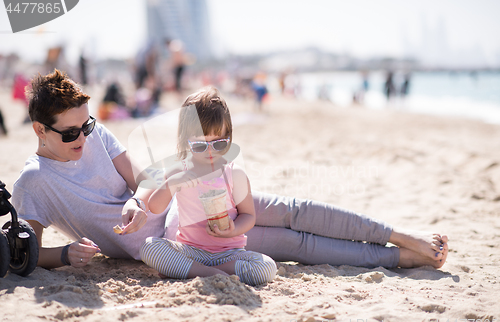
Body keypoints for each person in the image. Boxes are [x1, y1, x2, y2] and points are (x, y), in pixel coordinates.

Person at [12, 69, 448, 273]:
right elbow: (27, 255)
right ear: (39, 130)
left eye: (87, 126)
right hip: (181, 243)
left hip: (186, 196)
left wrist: (135, 200)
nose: (84, 139)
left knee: (291, 208)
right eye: (71, 134)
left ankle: (400, 236)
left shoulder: (96, 134)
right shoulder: (35, 183)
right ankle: (397, 258)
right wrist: (67, 255)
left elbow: (142, 179)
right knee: (296, 246)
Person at [140, 87, 276, 285]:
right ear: (185, 141)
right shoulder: (178, 171)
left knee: (267, 266)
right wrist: (173, 183)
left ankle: (200, 272)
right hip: (191, 251)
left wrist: (233, 229)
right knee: (149, 247)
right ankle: (207, 272)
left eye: (219, 144)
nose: (210, 151)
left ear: (228, 136)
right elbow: (155, 207)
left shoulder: (234, 174)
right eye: (200, 146)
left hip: (229, 254)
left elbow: (248, 215)